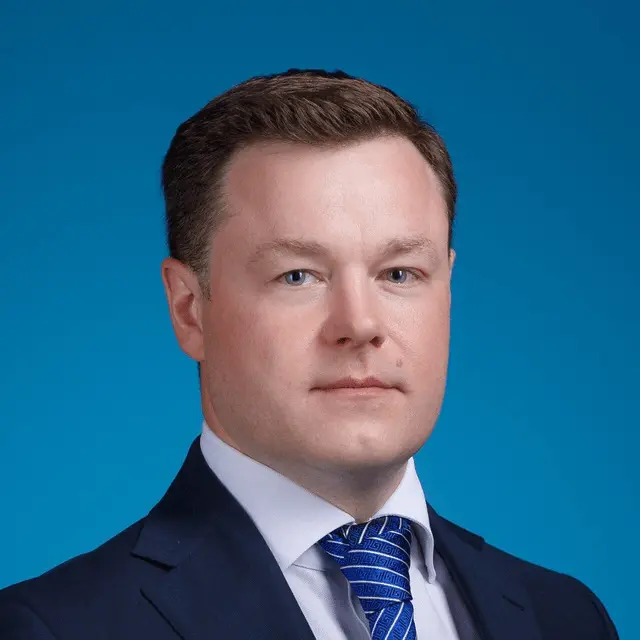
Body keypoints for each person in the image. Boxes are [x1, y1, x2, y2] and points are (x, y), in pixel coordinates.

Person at [0, 68, 619, 640]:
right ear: (189, 309)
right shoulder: (52, 627)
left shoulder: (567, 617)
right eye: (298, 275)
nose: (360, 325)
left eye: (399, 273)